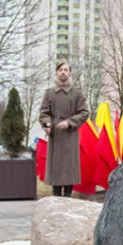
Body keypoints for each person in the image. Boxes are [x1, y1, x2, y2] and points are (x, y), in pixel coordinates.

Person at [39, 61, 89, 197]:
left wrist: (70, 122)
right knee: (56, 168)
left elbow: (84, 112)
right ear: (56, 72)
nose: (63, 72)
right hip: (55, 135)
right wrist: (47, 124)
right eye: (60, 70)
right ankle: (55, 198)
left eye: (66, 70)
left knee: (69, 168)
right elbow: (44, 113)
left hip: (70, 135)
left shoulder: (77, 93)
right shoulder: (49, 93)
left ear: (70, 73)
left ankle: (67, 198)